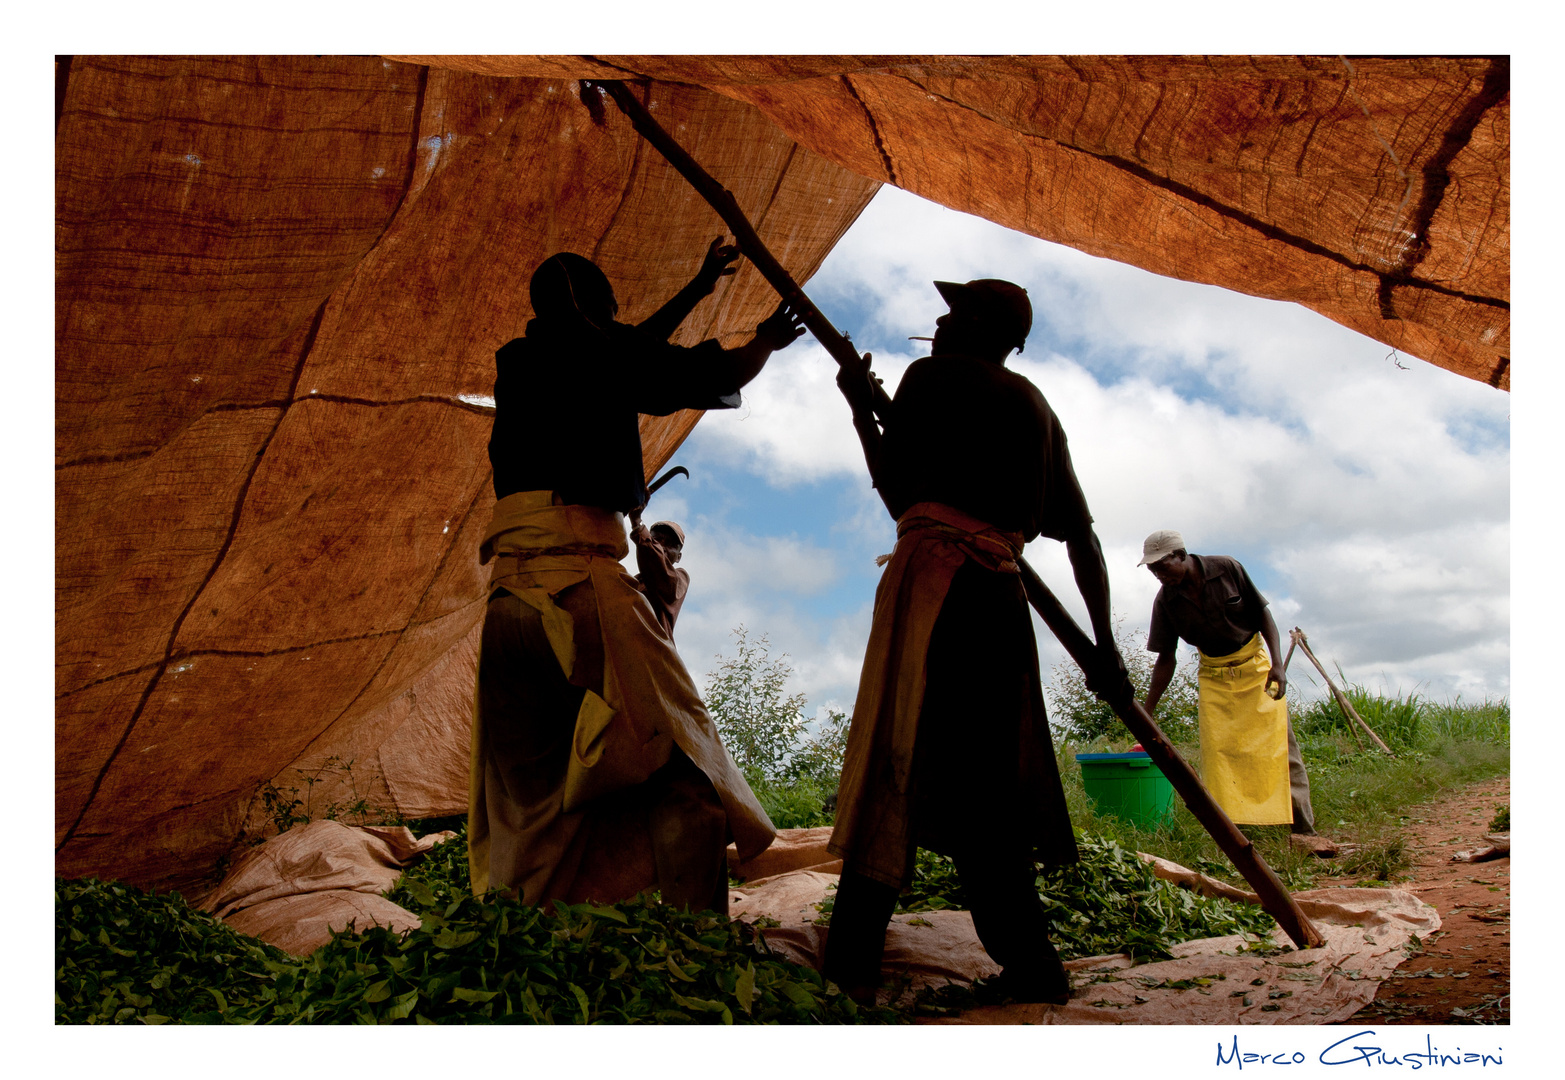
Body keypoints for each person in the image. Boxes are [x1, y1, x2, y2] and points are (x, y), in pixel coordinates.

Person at [470, 239, 805, 914]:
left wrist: (699, 286)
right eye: (610, 312)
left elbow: (626, 347)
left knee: (531, 794)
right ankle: (697, 955)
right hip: (580, 592)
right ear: (597, 310)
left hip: (509, 604)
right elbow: (668, 365)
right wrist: (764, 343)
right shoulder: (601, 353)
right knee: (691, 779)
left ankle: (523, 933)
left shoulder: (526, 361)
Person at [824, 277, 1128, 1005]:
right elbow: (1079, 533)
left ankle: (849, 964)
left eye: (952, 310)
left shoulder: (928, 378)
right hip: (996, 601)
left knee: (896, 761)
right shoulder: (1033, 405)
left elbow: (898, 493)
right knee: (987, 781)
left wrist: (861, 412)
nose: (936, 318)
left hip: (936, 590)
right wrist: (1104, 645)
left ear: (982, 328)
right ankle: (1029, 962)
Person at [1137, 530, 1334, 854]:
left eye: (1163, 566)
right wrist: (1147, 711)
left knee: (1280, 749)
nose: (1159, 575)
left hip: (1255, 668)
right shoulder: (1166, 601)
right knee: (1220, 756)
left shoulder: (1227, 569)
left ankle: (1305, 832)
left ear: (1182, 555)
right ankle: (1233, 839)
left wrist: (1277, 666)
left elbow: (1262, 615)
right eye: (1152, 570)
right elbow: (1165, 659)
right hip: (1214, 676)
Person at [630, 519, 688, 638]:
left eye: (670, 544)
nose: (661, 547)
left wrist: (637, 526)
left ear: (678, 557)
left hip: (653, 652)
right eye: (656, 540)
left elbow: (666, 581)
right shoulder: (631, 582)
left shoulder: (680, 578)